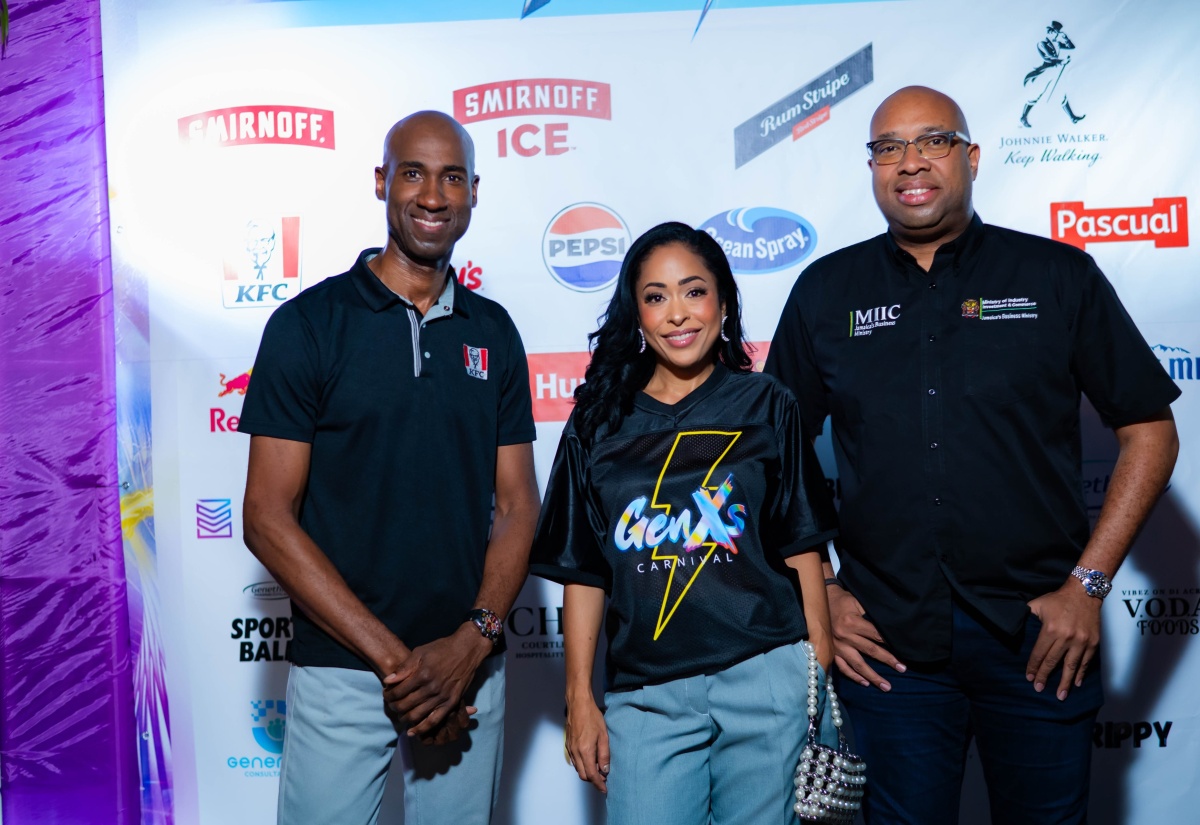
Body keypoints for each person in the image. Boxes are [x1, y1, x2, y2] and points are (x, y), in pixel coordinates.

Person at [765, 85, 1180, 824]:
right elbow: (775, 452)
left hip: (1040, 638)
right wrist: (820, 589)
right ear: (871, 168)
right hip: (889, 647)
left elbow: (1150, 429)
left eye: (932, 141)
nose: (909, 162)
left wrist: (1088, 585)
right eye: (887, 147)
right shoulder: (826, 291)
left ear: (973, 157)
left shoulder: (1056, 276)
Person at [239, 111, 540, 825]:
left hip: (465, 666)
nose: (433, 195)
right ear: (381, 182)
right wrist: (399, 664)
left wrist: (471, 643)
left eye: (452, 177)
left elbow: (520, 505)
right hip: (344, 666)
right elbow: (265, 517)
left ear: (473, 193)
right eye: (413, 172)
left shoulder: (493, 331)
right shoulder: (309, 325)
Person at [530, 221, 840, 824]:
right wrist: (579, 701)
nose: (677, 313)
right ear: (637, 315)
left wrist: (817, 669)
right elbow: (584, 571)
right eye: (656, 296)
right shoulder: (598, 423)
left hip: (767, 678)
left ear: (723, 302)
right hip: (647, 696)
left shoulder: (768, 403)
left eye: (693, 291)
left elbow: (804, 548)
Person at [1020, 20, 1086, 128]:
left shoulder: (1057, 43)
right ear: (1049, 32)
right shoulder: (1042, 43)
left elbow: (1071, 47)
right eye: (1053, 31)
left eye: (1056, 32)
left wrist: (1066, 38)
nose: (1054, 34)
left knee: (1062, 94)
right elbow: (1048, 57)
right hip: (1045, 72)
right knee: (1036, 95)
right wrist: (1061, 61)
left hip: (1055, 72)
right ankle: (1023, 117)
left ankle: (1072, 117)